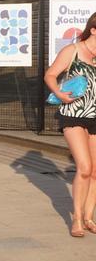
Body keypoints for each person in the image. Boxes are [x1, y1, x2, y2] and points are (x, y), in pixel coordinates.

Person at [45, 12, 96, 237]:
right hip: (73, 114)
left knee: (95, 171)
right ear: (93, 30)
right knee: (84, 167)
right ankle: (76, 218)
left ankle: (88, 217)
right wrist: (59, 93)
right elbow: (50, 74)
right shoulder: (73, 50)